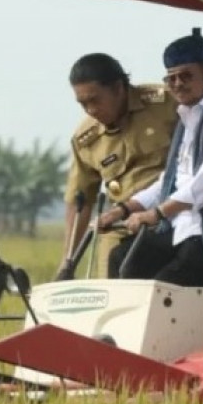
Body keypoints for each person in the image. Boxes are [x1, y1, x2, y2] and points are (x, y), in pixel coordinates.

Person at [99, 28, 203, 287]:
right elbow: (172, 180)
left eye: (186, 76)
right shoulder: (190, 117)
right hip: (188, 226)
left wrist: (158, 213)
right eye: (171, 79)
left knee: (164, 287)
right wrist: (123, 209)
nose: (177, 84)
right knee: (122, 260)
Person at [58, 52, 180, 279]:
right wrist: (68, 263)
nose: (90, 110)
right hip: (119, 225)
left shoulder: (167, 103)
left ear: (118, 88)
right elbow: (80, 202)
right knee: (111, 295)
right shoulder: (86, 138)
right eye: (83, 104)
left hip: (170, 218)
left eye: (95, 100)